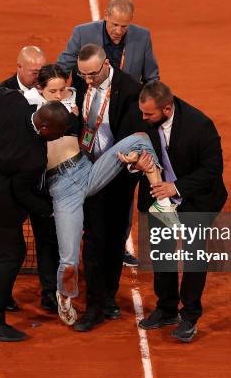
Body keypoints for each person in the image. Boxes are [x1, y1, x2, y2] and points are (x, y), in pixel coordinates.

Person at [22, 64, 171, 327]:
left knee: (139, 139)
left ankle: (162, 198)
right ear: (40, 90)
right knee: (69, 259)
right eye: (52, 91)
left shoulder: (72, 99)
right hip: (62, 189)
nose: (58, 94)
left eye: (61, 89)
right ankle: (65, 296)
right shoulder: (30, 112)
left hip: (86, 170)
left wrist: (134, 159)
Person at [0, 86, 70, 342]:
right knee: (13, 251)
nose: (58, 138)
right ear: (44, 129)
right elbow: (23, 194)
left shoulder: (11, 100)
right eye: (57, 134)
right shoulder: (34, 154)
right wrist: (50, 211)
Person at [134, 81, 228, 343]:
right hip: (159, 197)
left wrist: (175, 188)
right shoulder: (146, 119)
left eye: (149, 114)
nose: (143, 118)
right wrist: (136, 164)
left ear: (166, 108)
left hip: (195, 199)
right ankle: (166, 309)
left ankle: (189, 316)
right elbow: (135, 151)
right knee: (162, 253)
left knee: (194, 257)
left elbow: (212, 170)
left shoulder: (200, 126)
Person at [65, 44, 149, 332]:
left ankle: (108, 297)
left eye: (92, 75)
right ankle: (95, 307)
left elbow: (131, 138)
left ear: (105, 65)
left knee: (114, 241)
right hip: (87, 170)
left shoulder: (129, 90)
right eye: (83, 74)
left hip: (117, 175)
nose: (87, 80)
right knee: (93, 239)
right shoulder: (80, 81)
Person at [0, 45, 60, 313]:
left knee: (47, 237)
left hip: (41, 180)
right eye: (34, 72)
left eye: (42, 70)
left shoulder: (48, 90)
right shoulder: (2, 93)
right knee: (5, 243)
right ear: (19, 68)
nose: (39, 76)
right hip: (12, 184)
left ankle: (50, 292)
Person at [57, 0, 159, 84]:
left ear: (131, 18)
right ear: (106, 15)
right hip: (88, 97)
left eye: (124, 26)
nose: (119, 31)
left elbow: (151, 78)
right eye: (115, 25)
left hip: (125, 100)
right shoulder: (83, 33)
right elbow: (63, 67)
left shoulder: (142, 37)